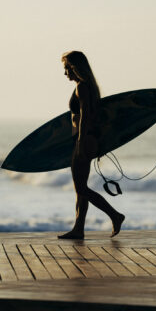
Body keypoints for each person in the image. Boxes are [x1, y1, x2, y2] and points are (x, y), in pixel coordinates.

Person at [58, 51, 125, 240]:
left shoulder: (82, 87)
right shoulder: (89, 87)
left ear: (75, 67)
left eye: (67, 69)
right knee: (81, 189)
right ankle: (78, 229)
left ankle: (115, 215)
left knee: (81, 189)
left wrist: (80, 142)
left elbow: (86, 116)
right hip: (89, 138)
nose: (65, 73)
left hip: (84, 139)